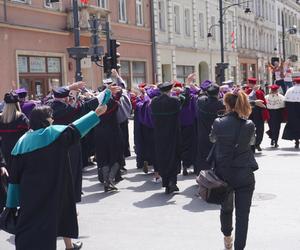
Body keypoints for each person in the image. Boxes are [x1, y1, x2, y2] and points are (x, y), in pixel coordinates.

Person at [6, 90, 109, 250]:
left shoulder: (21, 143)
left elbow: (14, 178)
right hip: (53, 191)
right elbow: (76, 129)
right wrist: (96, 113)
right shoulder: (54, 136)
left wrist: (11, 204)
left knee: (30, 229)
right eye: (50, 117)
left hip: (29, 195)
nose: (53, 119)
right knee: (51, 227)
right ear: (45, 121)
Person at [210, 89, 258, 250]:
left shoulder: (218, 122)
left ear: (226, 104)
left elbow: (212, 138)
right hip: (244, 173)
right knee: (243, 216)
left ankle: (227, 237)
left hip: (224, 172)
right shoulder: (249, 124)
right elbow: (252, 142)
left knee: (226, 208)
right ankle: (239, 248)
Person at [151, 81, 181, 194]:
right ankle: (172, 181)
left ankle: (166, 182)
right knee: (173, 155)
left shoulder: (154, 102)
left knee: (162, 156)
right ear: (170, 89)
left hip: (159, 134)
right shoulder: (175, 101)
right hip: (173, 133)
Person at [195, 83, 224, 174]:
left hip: (203, 133)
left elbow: (200, 97)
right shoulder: (221, 104)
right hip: (217, 134)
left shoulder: (200, 101)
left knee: (203, 155)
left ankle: (202, 176)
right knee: (217, 156)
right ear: (218, 93)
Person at [0, 92, 29, 173]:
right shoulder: (21, 117)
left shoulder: (0, 117)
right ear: (17, 104)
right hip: (19, 150)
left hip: (4, 150)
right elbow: (28, 133)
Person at [244, 78, 269, 152]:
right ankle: (256, 144)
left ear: (251, 83)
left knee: (255, 129)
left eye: (248, 83)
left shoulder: (248, 92)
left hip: (253, 113)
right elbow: (264, 103)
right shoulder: (258, 92)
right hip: (256, 112)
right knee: (258, 129)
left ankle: (254, 144)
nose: (248, 84)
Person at [282, 77, 300, 148]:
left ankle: (296, 140)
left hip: (292, 111)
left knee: (294, 124)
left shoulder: (290, 90)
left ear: (295, 82)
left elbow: (286, 102)